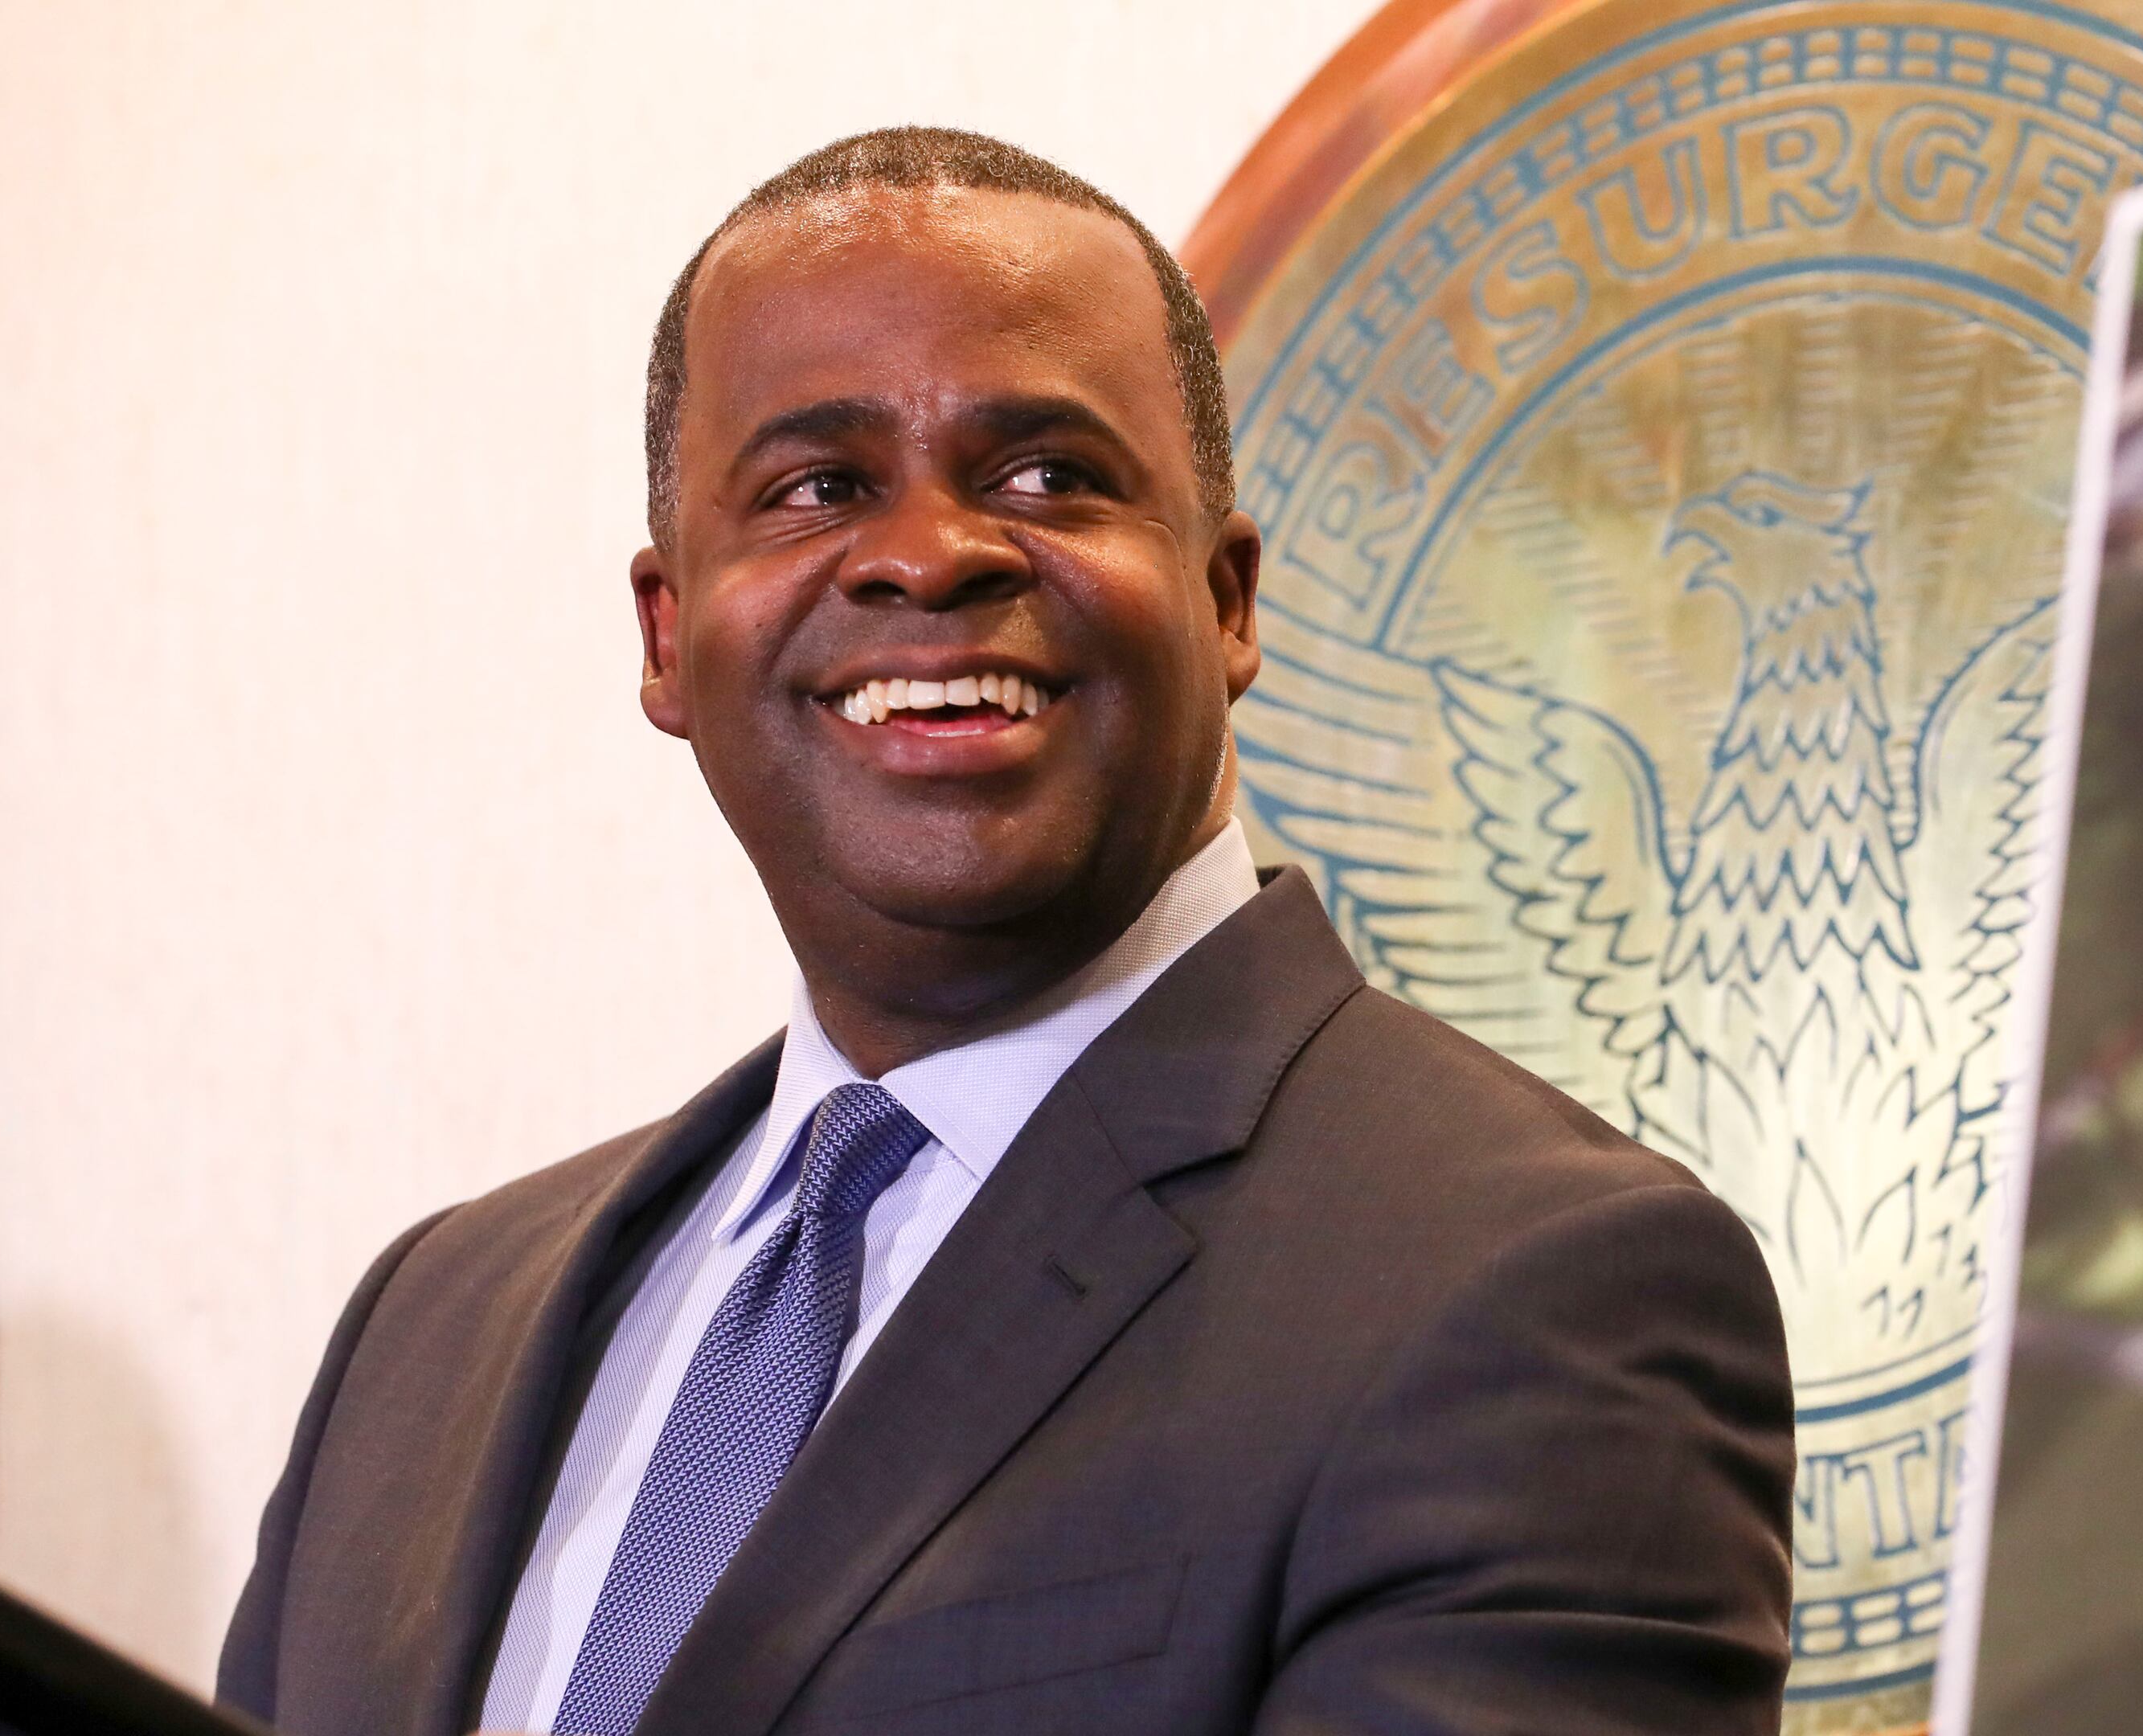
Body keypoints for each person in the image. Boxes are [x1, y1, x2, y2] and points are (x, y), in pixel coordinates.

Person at [215, 128, 1794, 1736]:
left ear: (1229, 601)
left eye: (1049, 475)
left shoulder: (1537, 1288)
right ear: (672, 637)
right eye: (818, 487)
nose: (927, 554)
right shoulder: (427, 1328)